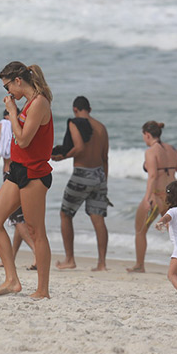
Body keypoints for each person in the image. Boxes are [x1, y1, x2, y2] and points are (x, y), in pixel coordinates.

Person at [0, 61, 54, 299]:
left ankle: (42, 289)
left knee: (36, 231)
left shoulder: (39, 102)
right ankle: (12, 279)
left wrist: (12, 113)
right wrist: (16, 112)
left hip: (35, 173)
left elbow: (23, 140)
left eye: (7, 87)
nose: (8, 93)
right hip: (17, 169)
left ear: (18, 81)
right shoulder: (27, 105)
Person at [53, 96, 110, 271]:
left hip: (82, 173)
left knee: (65, 214)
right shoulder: (101, 127)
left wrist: (62, 156)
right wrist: (104, 182)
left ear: (75, 109)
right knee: (98, 218)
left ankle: (70, 259)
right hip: (99, 174)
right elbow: (105, 157)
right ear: (89, 109)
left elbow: (79, 148)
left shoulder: (75, 122)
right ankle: (101, 263)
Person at [127, 121, 177, 273]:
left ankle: (139, 265)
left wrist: (147, 199)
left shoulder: (151, 152)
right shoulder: (173, 149)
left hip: (158, 196)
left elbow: (152, 175)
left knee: (140, 230)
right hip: (173, 196)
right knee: (176, 233)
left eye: (143, 136)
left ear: (147, 135)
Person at [0, 109, 37, 269]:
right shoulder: (23, 126)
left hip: (11, 175)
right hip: (28, 173)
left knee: (17, 219)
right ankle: (11, 256)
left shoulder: (4, 125)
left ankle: (37, 253)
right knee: (20, 217)